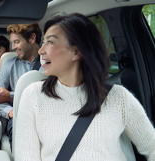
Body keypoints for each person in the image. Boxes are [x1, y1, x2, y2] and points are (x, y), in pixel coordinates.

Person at [15, 13, 155, 160]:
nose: (40, 50)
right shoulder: (33, 95)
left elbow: (152, 147)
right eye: (43, 42)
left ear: (76, 51)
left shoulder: (119, 97)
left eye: (49, 42)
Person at [0, 24, 42, 150]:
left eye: (16, 42)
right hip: (19, 118)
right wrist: (10, 112)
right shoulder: (9, 65)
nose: (13, 47)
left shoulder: (49, 63)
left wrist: (10, 96)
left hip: (45, 116)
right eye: (12, 42)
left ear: (32, 38)